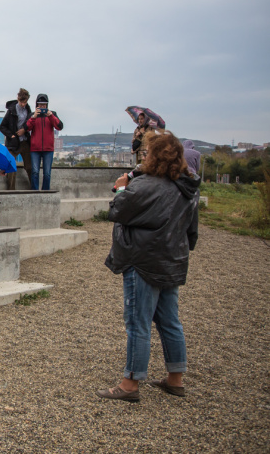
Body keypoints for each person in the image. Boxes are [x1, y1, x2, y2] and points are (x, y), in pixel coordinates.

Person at [97, 130, 200, 402]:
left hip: (142, 260)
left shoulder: (145, 186)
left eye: (147, 153)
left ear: (153, 156)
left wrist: (121, 187)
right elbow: (192, 233)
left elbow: (117, 211)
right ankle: (175, 379)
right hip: (172, 261)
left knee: (138, 322)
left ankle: (130, 384)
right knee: (170, 321)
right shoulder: (188, 188)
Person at [24, 93, 63, 190]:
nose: (42, 107)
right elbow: (26, 128)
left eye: (44, 105)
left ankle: (46, 192)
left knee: (47, 173)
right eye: (40, 105)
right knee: (35, 172)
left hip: (48, 149)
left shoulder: (52, 114)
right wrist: (33, 117)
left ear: (47, 105)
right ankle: (35, 191)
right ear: (37, 105)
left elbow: (59, 126)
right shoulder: (32, 115)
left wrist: (51, 116)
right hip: (35, 149)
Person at [0, 88, 33, 189]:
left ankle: (34, 188)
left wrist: (24, 130)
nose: (23, 104)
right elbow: (2, 126)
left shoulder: (28, 109)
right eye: (21, 102)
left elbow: (29, 123)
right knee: (11, 167)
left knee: (30, 167)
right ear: (18, 99)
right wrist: (11, 135)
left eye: (25, 102)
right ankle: (11, 191)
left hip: (24, 141)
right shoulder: (11, 110)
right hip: (13, 143)